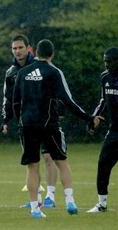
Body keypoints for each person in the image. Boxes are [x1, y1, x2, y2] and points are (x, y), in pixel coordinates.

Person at [13, 39, 101, 218]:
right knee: (61, 162)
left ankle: (35, 210)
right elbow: (68, 101)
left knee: (32, 167)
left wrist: (20, 121)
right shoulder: (54, 72)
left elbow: (15, 102)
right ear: (52, 54)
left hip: (27, 125)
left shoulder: (22, 73)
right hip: (48, 125)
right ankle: (70, 200)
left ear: (35, 52)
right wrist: (89, 118)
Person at [1, 34, 58, 208]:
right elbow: (8, 99)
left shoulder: (41, 67)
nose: (17, 51)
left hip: (46, 121)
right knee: (32, 162)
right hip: (26, 124)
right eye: (14, 48)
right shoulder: (11, 73)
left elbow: (55, 92)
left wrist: (56, 113)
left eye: (20, 47)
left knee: (49, 157)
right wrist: (5, 119)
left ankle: (51, 197)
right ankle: (38, 199)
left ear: (28, 48)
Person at [87, 47, 118, 213]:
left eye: (110, 61)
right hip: (114, 131)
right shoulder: (104, 77)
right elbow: (103, 101)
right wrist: (94, 118)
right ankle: (102, 204)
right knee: (103, 164)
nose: (107, 64)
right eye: (105, 61)